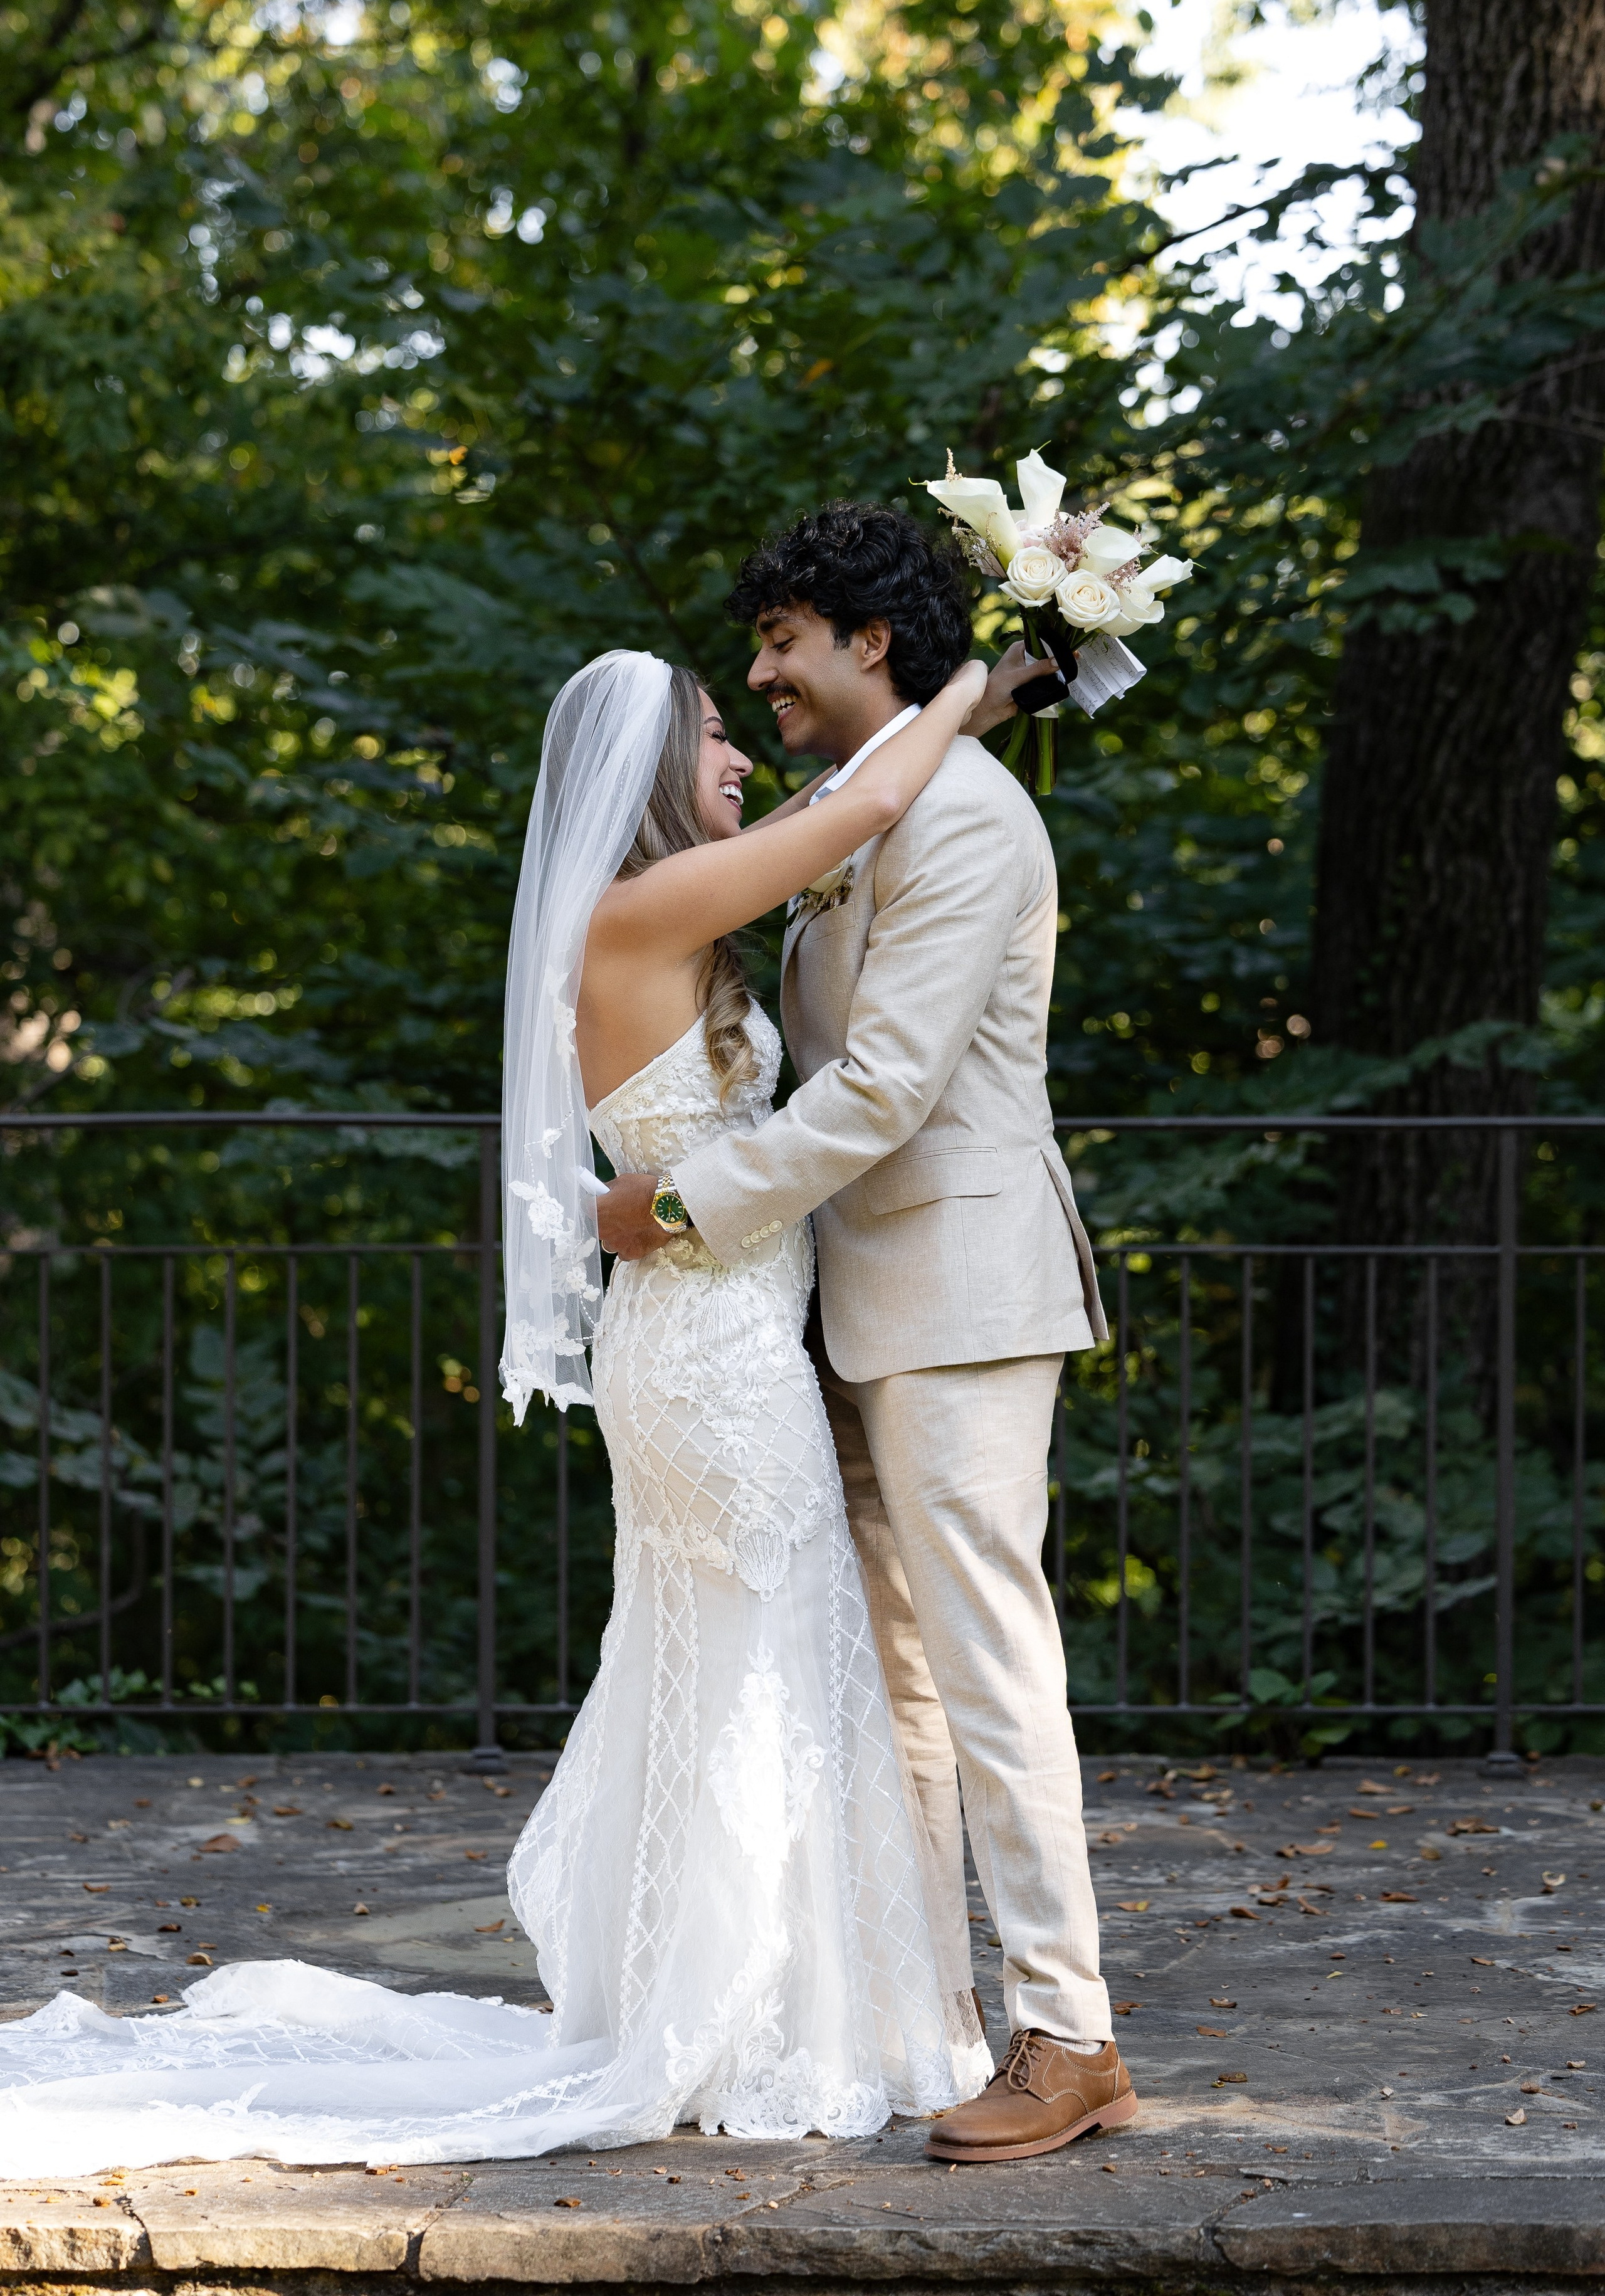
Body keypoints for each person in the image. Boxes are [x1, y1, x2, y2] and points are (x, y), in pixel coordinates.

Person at [0, 638, 1011, 2175]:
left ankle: (760, 1998)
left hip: (710, 1332)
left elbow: (826, 823)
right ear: (645, 772)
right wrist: (973, 684)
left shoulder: (665, 910)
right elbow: (845, 821)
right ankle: (749, 2017)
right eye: (717, 739)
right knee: (758, 1667)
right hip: (709, 1354)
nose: (740, 760)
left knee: (746, 1659)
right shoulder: (635, 907)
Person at [599, 500, 1135, 2164]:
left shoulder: (962, 816)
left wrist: (680, 1210)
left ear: (871, 641)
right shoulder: (857, 807)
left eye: (779, 639)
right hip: (840, 1302)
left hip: (961, 1298)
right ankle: (929, 2014)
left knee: (989, 1662)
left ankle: (1071, 2028)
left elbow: (894, 1086)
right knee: (899, 1676)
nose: (759, 669)